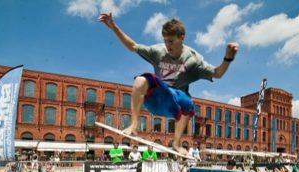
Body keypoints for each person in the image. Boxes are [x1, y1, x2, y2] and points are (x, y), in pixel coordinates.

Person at [98, 13, 239, 156]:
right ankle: (134, 125)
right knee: (140, 80)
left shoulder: (193, 59)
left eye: (171, 41)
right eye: (165, 41)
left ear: (181, 38)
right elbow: (133, 46)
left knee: (189, 102)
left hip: (175, 103)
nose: (167, 45)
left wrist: (228, 58)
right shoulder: (159, 51)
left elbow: (217, 73)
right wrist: (114, 27)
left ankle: (176, 143)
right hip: (156, 96)